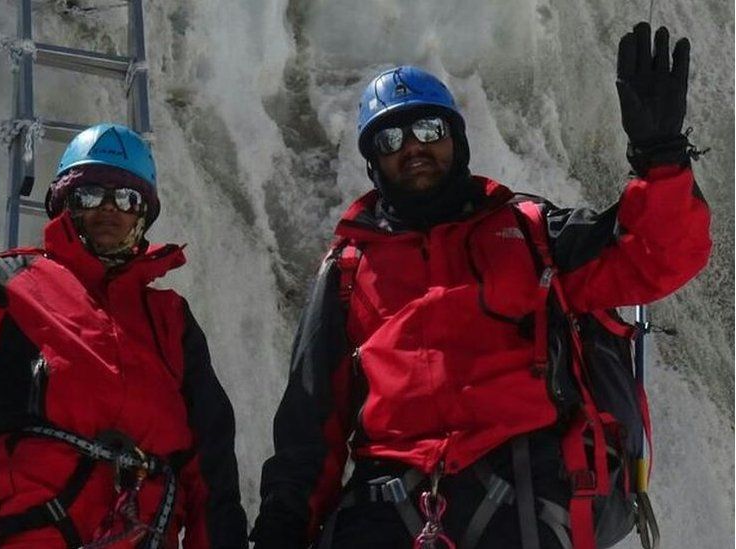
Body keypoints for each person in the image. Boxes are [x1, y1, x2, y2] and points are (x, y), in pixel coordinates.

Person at [250, 22, 710, 549]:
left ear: (456, 138)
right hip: (385, 505)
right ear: (374, 162)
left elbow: (656, 259)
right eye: (390, 139)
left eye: (428, 130)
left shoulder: (534, 234)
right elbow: (310, 425)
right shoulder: (348, 271)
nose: (413, 148)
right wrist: (280, 529)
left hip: (521, 493)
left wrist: (662, 156)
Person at [0, 123, 248, 548]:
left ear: (143, 214)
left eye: (126, 198)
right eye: (90, 194)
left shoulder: (171, 320)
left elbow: (211, 465)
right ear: (65, 204)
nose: (109, 209)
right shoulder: (16, 283)